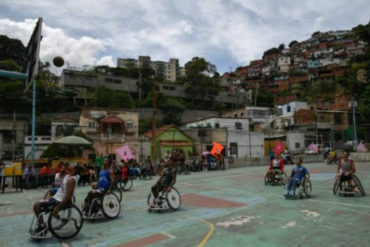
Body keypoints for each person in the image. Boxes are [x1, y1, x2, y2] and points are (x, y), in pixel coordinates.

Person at [32, 163, 82, 235]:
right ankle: (42, 225)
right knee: (38, 205)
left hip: (59, 200)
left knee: (36, 206)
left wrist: (58, 207)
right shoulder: (69, 175)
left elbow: (68, 196)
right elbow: (67, 169)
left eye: (72, 165)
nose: (69, 165)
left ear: (74, 170)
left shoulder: (71, 180)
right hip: (56, 198)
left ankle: (42, 227)